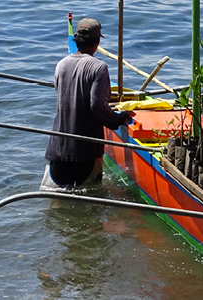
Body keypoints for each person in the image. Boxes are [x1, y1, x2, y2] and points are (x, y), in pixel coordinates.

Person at [41, 17, 135, 190]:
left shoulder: (61, 64)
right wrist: (117, 119)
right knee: (89, 197)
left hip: (58, 146)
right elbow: (97, 104)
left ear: (76, 38)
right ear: (97, 41)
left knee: (56, 199)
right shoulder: (99, 67)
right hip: (85, 149)